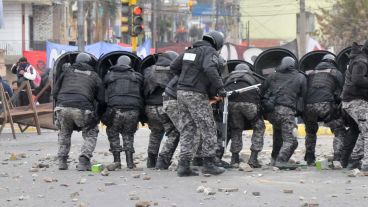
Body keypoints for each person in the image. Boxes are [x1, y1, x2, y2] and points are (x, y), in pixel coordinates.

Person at [171, 31, 227, 176]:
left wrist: (187, 79)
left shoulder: (191, 51)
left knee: (188, 128)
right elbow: (210, 68)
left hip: (181, 92)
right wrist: (220, 88)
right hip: (196, 94)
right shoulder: (210, 51)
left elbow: (174, 66)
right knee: (208, 127)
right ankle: (208, 164)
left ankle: (183, 166)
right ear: (217, 43)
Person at [53, 52, 104, 171]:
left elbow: (55, 92)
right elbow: (101, 99)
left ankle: (62, 161)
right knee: (91, 132)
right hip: (82, 108)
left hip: (62, 107)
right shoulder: (94, 75)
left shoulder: (66, 72)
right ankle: (84, 160)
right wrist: (97, 115)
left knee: (64, 132)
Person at [262, 56, 307, 169]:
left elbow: (262, 91)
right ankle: (281, 161)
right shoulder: (300, 77)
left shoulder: (272, 75)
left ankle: (274, 159)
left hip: (271, 113)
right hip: (286, 112)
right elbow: (303, 96)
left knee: (278, 136)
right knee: (291, 140)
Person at [302, 54, 346, 165]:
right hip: (326, 105)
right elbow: (342, 91)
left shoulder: (311, 73)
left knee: (311, 132)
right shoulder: (336, 73)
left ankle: (310, 158)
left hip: (308, 106)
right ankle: (337, 159)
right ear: (333, 63)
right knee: (339, 131)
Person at [102, 55, 144, 169]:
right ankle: (130, 162)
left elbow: (103, 87)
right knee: (129, 134)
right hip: (133, 110)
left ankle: (117, 161)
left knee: (113, 132)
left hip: (115, 110)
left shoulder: (109, 76)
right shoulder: (137, 76)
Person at [143, 51, 179, 168]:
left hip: (150, 107)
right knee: (174, 132)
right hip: (166, 106)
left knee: (155, 132)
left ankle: (151, 161)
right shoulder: (175, 71)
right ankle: (163, 161)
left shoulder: (149, 70)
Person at [224, 64, 265, 168]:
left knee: (236, 129)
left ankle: (234, 159)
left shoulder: (228, 78)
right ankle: (253, 158)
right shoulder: (253, 77)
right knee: (259, 127)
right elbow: (262, 93)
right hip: (249, 104)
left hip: (231, 105)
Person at [341, 41, 368, 172]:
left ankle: (354, 160)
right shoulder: (361, 61)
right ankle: (364, 164)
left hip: (355, 101)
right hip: (355, 101)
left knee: (364, 130)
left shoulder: (362, 59)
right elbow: (358, 80)